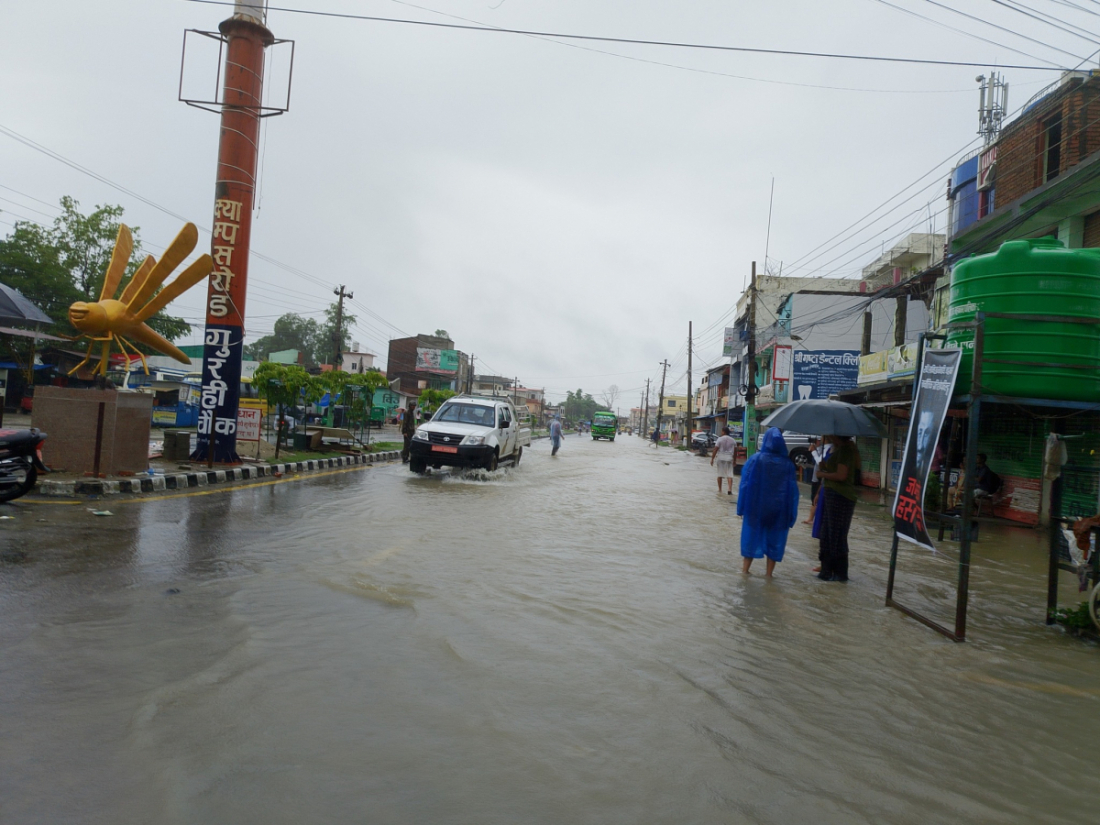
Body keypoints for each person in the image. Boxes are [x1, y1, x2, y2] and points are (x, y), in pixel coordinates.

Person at [737, 427, 799, 577]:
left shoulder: (755, 460)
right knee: (775, 540)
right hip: (778, 511)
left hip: (755, 508)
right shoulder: (788, 465)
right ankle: (769, 575)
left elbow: (744, 484)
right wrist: (792, 516)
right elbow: (793, 493)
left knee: (750, 538)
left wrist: (741, 508)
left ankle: (745, 571)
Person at [815, 434, 861, 582]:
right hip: (832, 495)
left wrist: (822, 473)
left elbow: (842, 475)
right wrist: (825, 468)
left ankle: (839, 573)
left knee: (836, 534)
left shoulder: (846, 450)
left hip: (840, 497)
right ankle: (827, 570)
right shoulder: (840, 449)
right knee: (827, 533)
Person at [803, 436, 829, 525]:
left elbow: (819, 462)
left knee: (815, 499)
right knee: (813, 498)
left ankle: (813, 519)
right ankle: (811, 518)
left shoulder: (826, 449)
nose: (819, 440)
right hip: (816, 478)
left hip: (819, 479)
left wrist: (814, 451)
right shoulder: (822, 448)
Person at [710, 426, 737, 495]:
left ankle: (720, 490)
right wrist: (734, 460)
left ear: (724, 432)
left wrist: (712, 459)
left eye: (722, 431)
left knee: (720, 474)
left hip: (720, 458)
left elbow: (715, 449)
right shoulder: (733, 440)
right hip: (729, 458)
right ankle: (729, 489)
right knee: (729, 474)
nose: (721, 433)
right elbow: (735, 451)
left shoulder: (719, 439)